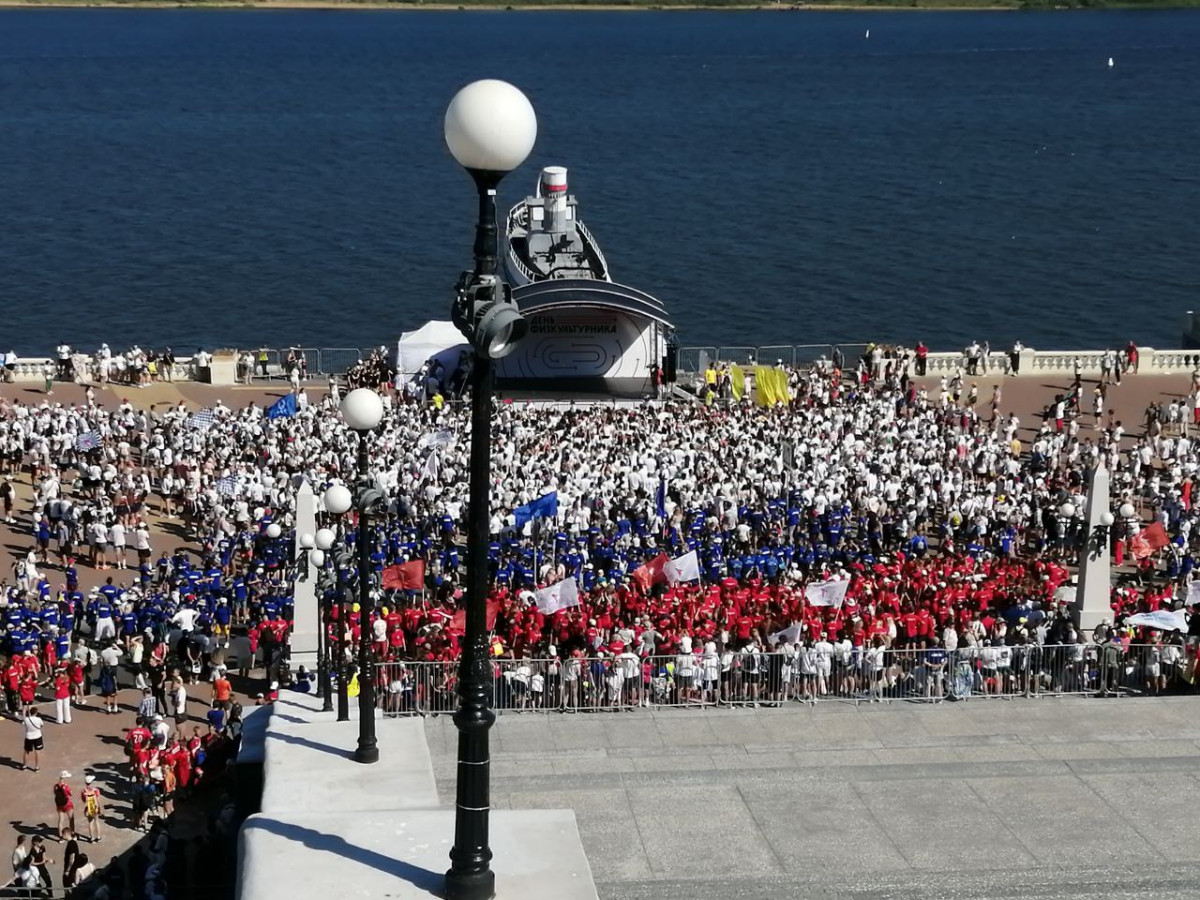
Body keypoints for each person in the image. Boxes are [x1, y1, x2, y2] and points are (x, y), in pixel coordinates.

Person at [81, 774, 104, 843]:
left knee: (90, 822)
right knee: (97, 821)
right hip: (95, 808)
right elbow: (98, 800)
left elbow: (84, 800)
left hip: (88, 808)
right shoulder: (95, 790)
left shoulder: (83, 791)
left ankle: (92, 838)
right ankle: (98, 837)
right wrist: (100, 808)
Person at [54, 771, 76, 839]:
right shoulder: (66, 787)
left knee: (61, 820)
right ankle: (72, 834)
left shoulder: (56, 786)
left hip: (59, 805)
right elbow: (71, 794)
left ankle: (60, 837)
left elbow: (55, 793)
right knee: (71, 819)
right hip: (67, 804)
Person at [22, 705, 44, 771]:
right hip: (37, 737)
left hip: (28, 737)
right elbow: (41, 725)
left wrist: (25, 710)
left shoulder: (26, 719)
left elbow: (24, 723)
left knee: (26, 752)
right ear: (36, 713)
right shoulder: (39, 719)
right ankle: (37, 767)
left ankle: (24, 766)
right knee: (37, 752)